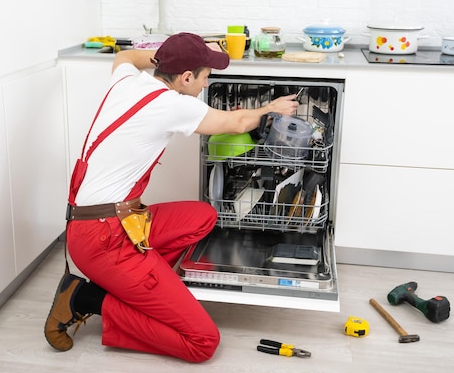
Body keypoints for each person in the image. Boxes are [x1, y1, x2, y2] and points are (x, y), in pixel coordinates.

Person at [44, 32, 299, 362]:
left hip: (108, 221)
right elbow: (236, 123)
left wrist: (162, 57)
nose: (206, 85)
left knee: (203, 216)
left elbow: (123, 57)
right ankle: (85, 298)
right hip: (102, 239)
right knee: (203, 342)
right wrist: (271, 107)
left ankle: (134, 286)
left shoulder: (127, 80)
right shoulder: (171, 104)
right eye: (206, 77)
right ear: (187, 77)